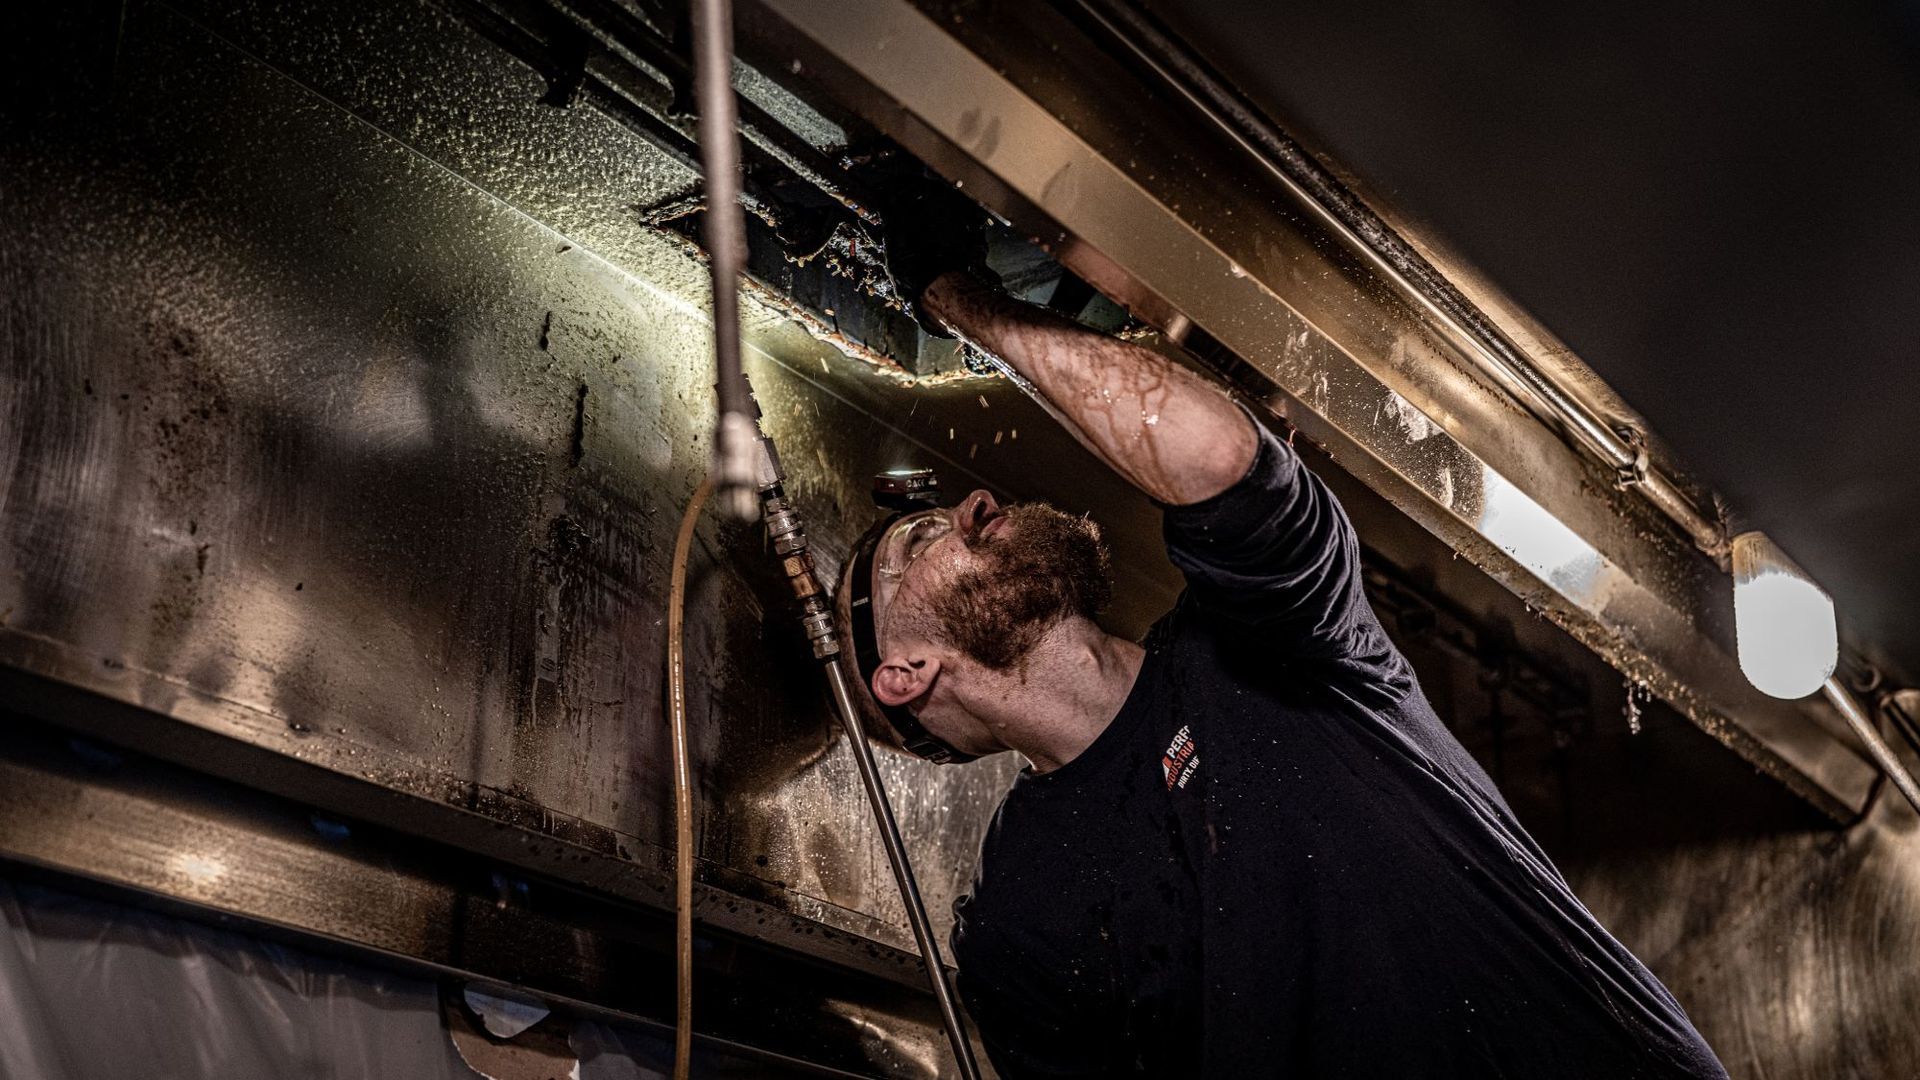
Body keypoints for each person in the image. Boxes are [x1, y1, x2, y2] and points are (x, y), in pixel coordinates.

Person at [834, 183, 1730, 1078]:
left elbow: (1219, 457)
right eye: (920, 538)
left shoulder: (1259, 633)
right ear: (905, 670)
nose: (973, 504)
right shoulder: (1025, 922)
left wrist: (959, 300)